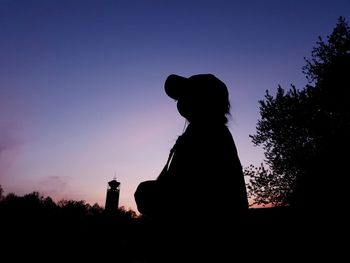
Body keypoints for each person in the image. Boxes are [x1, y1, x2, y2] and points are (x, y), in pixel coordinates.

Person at [134, 73, 248, 261]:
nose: (180, 103)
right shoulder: (196, 134)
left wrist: (150, 193)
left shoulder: (209, 136)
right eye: (180, 98)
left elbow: (192, 196)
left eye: (186, 96)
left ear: (205, 100)